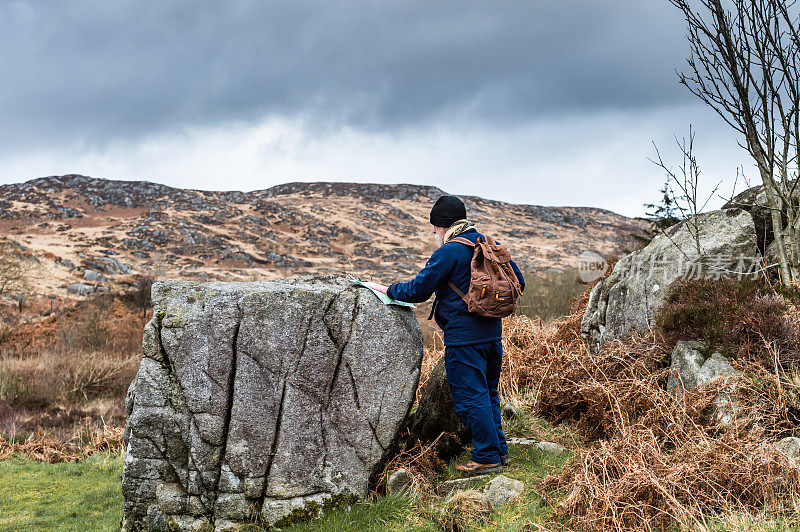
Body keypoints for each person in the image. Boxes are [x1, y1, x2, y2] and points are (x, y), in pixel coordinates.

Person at [381, 195, 525, 474]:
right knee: (488, 395)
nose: (432, 231)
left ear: (443, 225)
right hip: (493, 336)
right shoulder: (488, 245)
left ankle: (486, 457)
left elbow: (418, 291)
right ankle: (499, 451)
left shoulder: (449, 251)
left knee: (471, 397)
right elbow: (519, 281)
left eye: (434, 226)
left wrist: (388, 290)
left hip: (464, 340)